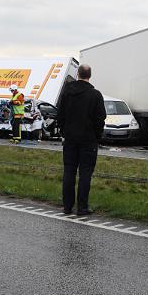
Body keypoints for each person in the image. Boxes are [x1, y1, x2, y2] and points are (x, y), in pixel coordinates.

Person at [56, 64, 107, 216]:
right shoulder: (95, 95)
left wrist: (64, 132)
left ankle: (67, 206)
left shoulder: (67, 93)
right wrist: (97, 136)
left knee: (69, 171)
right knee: (85, 173)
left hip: (70, 138)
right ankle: (82, 207)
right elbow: (100, 119)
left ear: (78, 74)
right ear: (89, 76)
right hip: (88, 139)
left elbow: (60, 116)